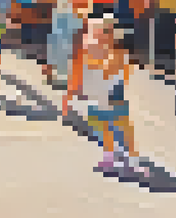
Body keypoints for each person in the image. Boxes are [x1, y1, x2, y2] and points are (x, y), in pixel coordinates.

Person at [62, 13, 148, 175]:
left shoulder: (118, 53)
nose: (103, 35)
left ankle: (132, 160)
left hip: (112, 93)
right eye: (101, 32)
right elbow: (81, 73)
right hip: (96, 94)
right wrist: (73, 93)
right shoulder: (90, 50)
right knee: (101, 125)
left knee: (121, 126)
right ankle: (110, 155)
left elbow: (114, 72)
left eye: (107, 32)